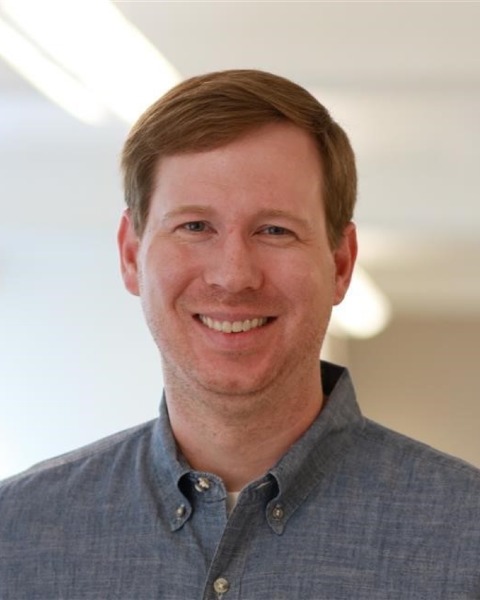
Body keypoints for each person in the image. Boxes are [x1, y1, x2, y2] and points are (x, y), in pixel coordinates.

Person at [0, 69, 479, 599]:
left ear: (341, 264)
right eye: (194, 227)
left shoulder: (467, 537)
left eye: (275, 230)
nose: (233, 276)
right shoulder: (14, 535)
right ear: (131, 255)